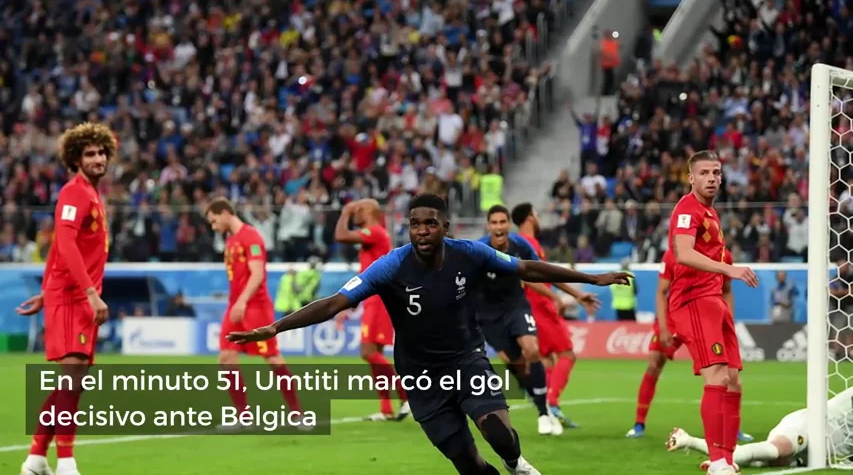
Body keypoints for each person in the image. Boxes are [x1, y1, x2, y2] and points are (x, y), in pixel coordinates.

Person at [227, 193, 632, 475]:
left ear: (445, 227)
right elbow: (335, 302)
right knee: (467, 463)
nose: (421, 231)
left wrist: (590, 278)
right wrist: (277, 325)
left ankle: (516, 465)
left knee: (500, 434)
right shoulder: (390, 266)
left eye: (430, 224)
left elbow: (526, 268)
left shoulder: (469, 253)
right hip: (420, 375)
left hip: (466, 359)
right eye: (415, 224)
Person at [16, 123, 115, 475]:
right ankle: (66, 463)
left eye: (101, 152)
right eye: (90, 153)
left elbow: (61, 250)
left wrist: (46, 292)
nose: (98, 158)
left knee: (72, 380)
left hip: (74, 295)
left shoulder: (90, 194)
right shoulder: (75, 193)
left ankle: (36, 458)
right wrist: (87, 293)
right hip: (76, 297)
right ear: (75, 159)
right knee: (72, 377)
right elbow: (66, 243)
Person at [668, 151, 759, 475]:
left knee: (734, 381)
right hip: (693, 301)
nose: (712, 178)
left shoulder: (710, 212)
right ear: (691, 178)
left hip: (713, 301)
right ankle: (718, 461)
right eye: (705, 173)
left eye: (717, 173)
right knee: (717, 376)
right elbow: (683, 252)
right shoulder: (687, 209)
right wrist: (728, 270)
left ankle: (727, 458)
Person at [626, 249, 754, 443]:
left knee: (727, 374)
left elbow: (726, 291)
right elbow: (661, 292)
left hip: (706, 317)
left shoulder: (722, 254)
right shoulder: (674, 254)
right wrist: (663, 328)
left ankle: (732, 429)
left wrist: (727, 322)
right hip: (674, 317)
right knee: (654, 364)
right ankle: (639, 423)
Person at [205, 198, 303, 427]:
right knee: (226, 357)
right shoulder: (230, 241)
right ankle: (243, 416)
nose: (213, 226)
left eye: (213, 220)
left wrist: (241, 301)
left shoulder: (251, 237)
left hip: (255, 307)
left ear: (225, 213)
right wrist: (236, 303)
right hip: (236, 306)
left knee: (272, 358)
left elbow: (257, 274)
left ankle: (298, 414)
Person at [511, 202, 600, 430]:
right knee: (567, 354)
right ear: (530, 218)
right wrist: (556, 298)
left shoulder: (527, 244)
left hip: (534, 306)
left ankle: (546, 407)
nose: (539, 218)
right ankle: (551, 403)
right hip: (539, 307)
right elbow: (528, 278)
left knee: (547, 360)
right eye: (537, 214)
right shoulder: (527, 244)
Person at [475, 205, 558, 436]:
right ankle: (540, 401)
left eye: (503, 222)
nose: (499, 227)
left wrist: (570, 294)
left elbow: (542, 271)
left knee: (532, 349)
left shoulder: (521, 246)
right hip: (488, 316)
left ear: (509, 224)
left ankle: (543, 413)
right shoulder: (479, 250)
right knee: (517, 365)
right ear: (488, 225)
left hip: (516, 306)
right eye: (494, 222)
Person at [334, 198, 410, 421]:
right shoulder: (376, 236)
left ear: (368, 212)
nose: (354, 214)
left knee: (367, 352)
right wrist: (351, 303)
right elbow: (365, 273)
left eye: (357, 210)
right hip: (373, 298)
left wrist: (345, 212)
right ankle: (386, 408)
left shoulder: (375, 231)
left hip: (378, 299)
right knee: (373, 354)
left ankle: (407, 397)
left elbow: (340, 236)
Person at [666, 387, 853, 470]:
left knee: (765, 463)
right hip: (807, 426)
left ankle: (688, 440)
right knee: (779, 449)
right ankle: (721, 463)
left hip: (815, 452)